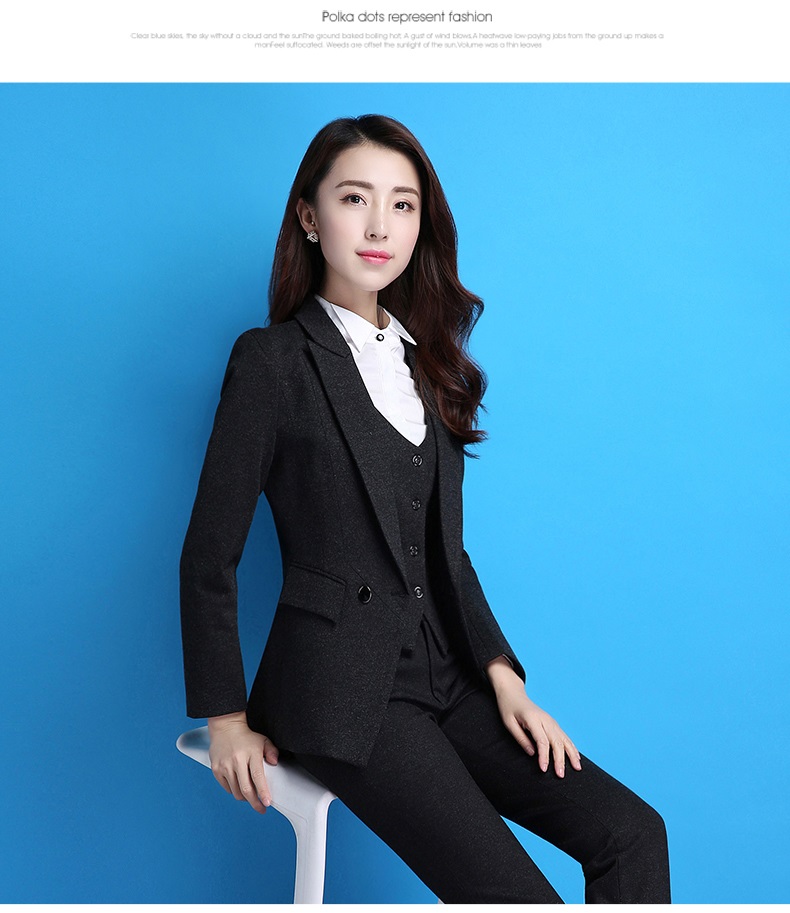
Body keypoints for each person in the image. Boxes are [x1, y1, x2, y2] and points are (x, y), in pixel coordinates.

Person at [179, 114, 671, 903]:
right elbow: (210, 553)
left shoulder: (426, 365)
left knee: (633, 832)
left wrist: (504, 677)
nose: (380, 225)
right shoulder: (272, 362)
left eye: (402, 205)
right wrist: (225, 715)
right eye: (354, 198)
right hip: (344, 693)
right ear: (309, 216)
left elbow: (446, 551)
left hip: (453, 680)